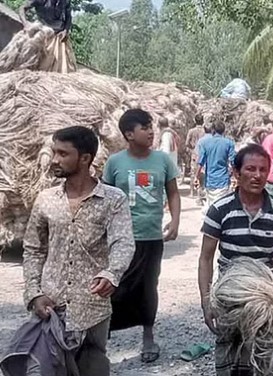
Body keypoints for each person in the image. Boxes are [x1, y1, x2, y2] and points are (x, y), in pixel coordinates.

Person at [4, 126, 135, 375]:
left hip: (92, 310)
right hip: (50, 308)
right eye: (54, 152)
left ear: (85, 158)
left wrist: (111, 274)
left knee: (93, 367)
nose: (55, 159)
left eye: (63, 154)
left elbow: (123, 242)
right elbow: (33, 249)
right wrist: (34, 294)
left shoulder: (113, 199)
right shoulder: (45, 199)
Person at [198, 144, 273, 376]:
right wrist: (206, 301)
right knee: (230, 359)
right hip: (229, 297)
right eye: (251, 169)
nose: (257, 175)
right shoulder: (219, 210)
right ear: (236, 172)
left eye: (263, 170)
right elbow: (205, 258)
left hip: (266, 297)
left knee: (266, 358)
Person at [103, 109, 181, 363]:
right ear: (128, 134)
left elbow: (173, 193)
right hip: (121, 238)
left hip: (150, 236)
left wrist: (175, 221)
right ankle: (103, 335)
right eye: (145, 127)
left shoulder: (162, 161)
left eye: (151, 127)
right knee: (116, 285)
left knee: (149, 287)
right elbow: (105, 200)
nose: (151, 132)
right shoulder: (115, 163)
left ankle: (148, 336)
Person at [18, 0, 76, 73]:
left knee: (64, 69)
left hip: (59, 36)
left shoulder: (64, 1)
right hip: (43, 34)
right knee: (33, 62)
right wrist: (26, 24)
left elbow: (68, 16)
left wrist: (66, 30)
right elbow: (22, 8)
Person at [195, 114, 237, 212]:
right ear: (224, 131)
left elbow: (200, 162)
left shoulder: (205, 143)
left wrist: (196, 177)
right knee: (222, 208)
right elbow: (233, 161)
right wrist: (235, 177)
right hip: (223, 180)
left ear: (213, 130)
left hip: (210, 181)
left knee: (211, 207)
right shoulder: (229, 143)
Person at [186, 114, 205, 198]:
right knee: (202, 173)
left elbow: (187, 143)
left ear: (195, 121)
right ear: (203, 121)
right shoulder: (205, 131)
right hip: (203, 154)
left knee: (193, 173)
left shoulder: (191, 131)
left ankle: (191, 192)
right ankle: (200, 193)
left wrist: (192, 149)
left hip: (194, 154)